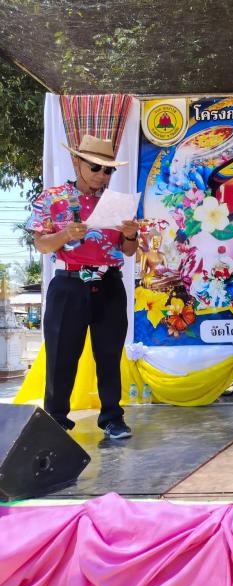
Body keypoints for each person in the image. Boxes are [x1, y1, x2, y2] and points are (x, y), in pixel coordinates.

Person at [26, 134, 140, 439]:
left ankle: (112, 418)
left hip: (109, 283)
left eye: (108, 170)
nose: (102, 175)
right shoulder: (51, 198)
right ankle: (56, 419)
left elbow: (129, 251)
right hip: (69, 285)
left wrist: (131, 235)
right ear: (77, 162)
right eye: (95, 167)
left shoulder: (117, 203)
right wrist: (65, 234)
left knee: (109, 354)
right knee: (61, 355)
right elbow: (41, 244)